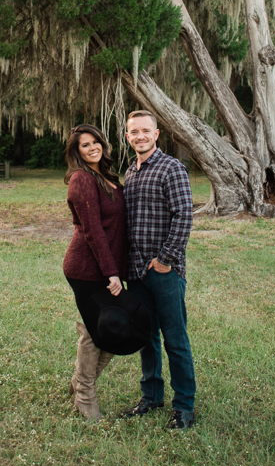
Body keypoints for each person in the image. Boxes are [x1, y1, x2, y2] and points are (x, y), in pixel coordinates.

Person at [122, 110, 196, 430]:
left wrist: (165, 260)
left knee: (175, 339)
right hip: (135, 272)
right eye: (133, 131)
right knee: (145, 338)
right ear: (127, 137)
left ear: (156, 134)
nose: (139, 136)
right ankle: (151, 397)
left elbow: (184, 217)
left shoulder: (171, 168)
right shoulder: (131, 172)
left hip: (165, 272)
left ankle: (184, 407)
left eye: (145, 131)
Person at [62, 124, 126, 421]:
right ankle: (85, 395)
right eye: (84, 145)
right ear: (76, 152)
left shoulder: (106, 176)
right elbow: (93, 230)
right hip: (87, 268)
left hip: (106, 267)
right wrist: (111, 272)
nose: (92, 148)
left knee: (115, 329)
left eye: (95, 142)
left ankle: (79, 382)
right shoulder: (81, 179)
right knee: (95, 331)